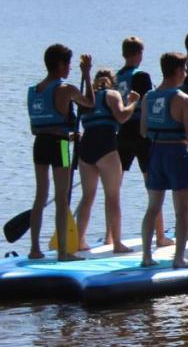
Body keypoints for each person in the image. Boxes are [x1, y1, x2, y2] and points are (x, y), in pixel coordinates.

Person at [139, 52, 188, 268]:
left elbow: (143, 131)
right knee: (182, 210)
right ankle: (179, 258)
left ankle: (146, 257)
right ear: (178, 70)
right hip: (177, 155)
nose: (186, 74)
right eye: (185, 71)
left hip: (155, 153)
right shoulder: (183, 99)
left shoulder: (148, 97)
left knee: (153, 207)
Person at [28, 45, 94, 260]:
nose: (69, 69)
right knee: (62, 198)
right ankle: (63, 252)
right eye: (68, 64)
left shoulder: (34, 90)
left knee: (40, 196)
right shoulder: (66, 88)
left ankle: (34, 249)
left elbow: (38, 126)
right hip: (61, 147)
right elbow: (90, 103)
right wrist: (86, 74)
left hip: (40, 145)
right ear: (59, 65)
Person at [74, 62, 140, 253]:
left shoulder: (85, 99)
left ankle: (80, 240)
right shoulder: (112, 94)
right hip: (106, 147)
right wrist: (133, 102)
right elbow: (121, 117)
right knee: (112, 197)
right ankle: (116, 243)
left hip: (85, 149)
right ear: (112, 82)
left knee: (88, 196)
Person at [115, 36, 172, 248]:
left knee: (114, 188)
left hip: (121, 134)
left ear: (124, 54)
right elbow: (151, 102)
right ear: (139, 54)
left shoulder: (116, 77)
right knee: (153, 185)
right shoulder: (142, 76)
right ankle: (160, 236)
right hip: (141, 134)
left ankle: (114, 237)